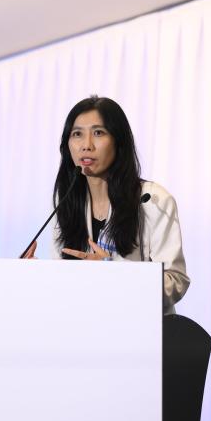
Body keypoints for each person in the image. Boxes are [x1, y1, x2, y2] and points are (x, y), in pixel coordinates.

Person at [23, 96, 190, 314]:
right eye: (77, 134)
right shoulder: (65, 201)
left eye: (98, 133)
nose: (86, 145)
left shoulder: (152, 199)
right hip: (84, 331)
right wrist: (35, 277)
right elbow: (65, 280)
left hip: (139, 334)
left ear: (119, 142)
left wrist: (115, 276)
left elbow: (176, 280)